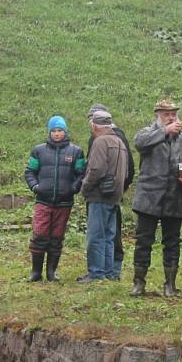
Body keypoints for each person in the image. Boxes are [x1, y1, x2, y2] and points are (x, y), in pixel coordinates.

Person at [131, 100, 182, 297]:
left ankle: (170, 284)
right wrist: (165, 132)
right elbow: (139, 144)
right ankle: (138, 283)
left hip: (175, 197)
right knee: (143, 241)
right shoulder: (147, 133)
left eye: (173, 114)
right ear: (158, 115)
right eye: (166, 114)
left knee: (172, 242)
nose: (171, 117)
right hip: (148, 196)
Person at [24, 115, 85, 282]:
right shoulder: (39, 150)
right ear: (49, 132)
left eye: (60, 131)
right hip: (43, 201)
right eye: (54, 131)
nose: (57, 134)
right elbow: (30, 171)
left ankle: (52, 272)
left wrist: (73, 189)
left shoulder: (76, 152)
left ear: (65, 132)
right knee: (39, 235)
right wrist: (35, 187)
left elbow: (81, 174)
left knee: (57, 237)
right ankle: (36, 272)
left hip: (64, 202)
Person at [77, 110, 129, 283]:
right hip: (115, 196)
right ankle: (108, 272)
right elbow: (127, 171)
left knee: (95, 236)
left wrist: (85, 187)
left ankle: (96, 273)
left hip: (99, 195)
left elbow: (96, 169)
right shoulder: (119, 142)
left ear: (94, 125)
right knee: (108, 236)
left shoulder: (100, 142)